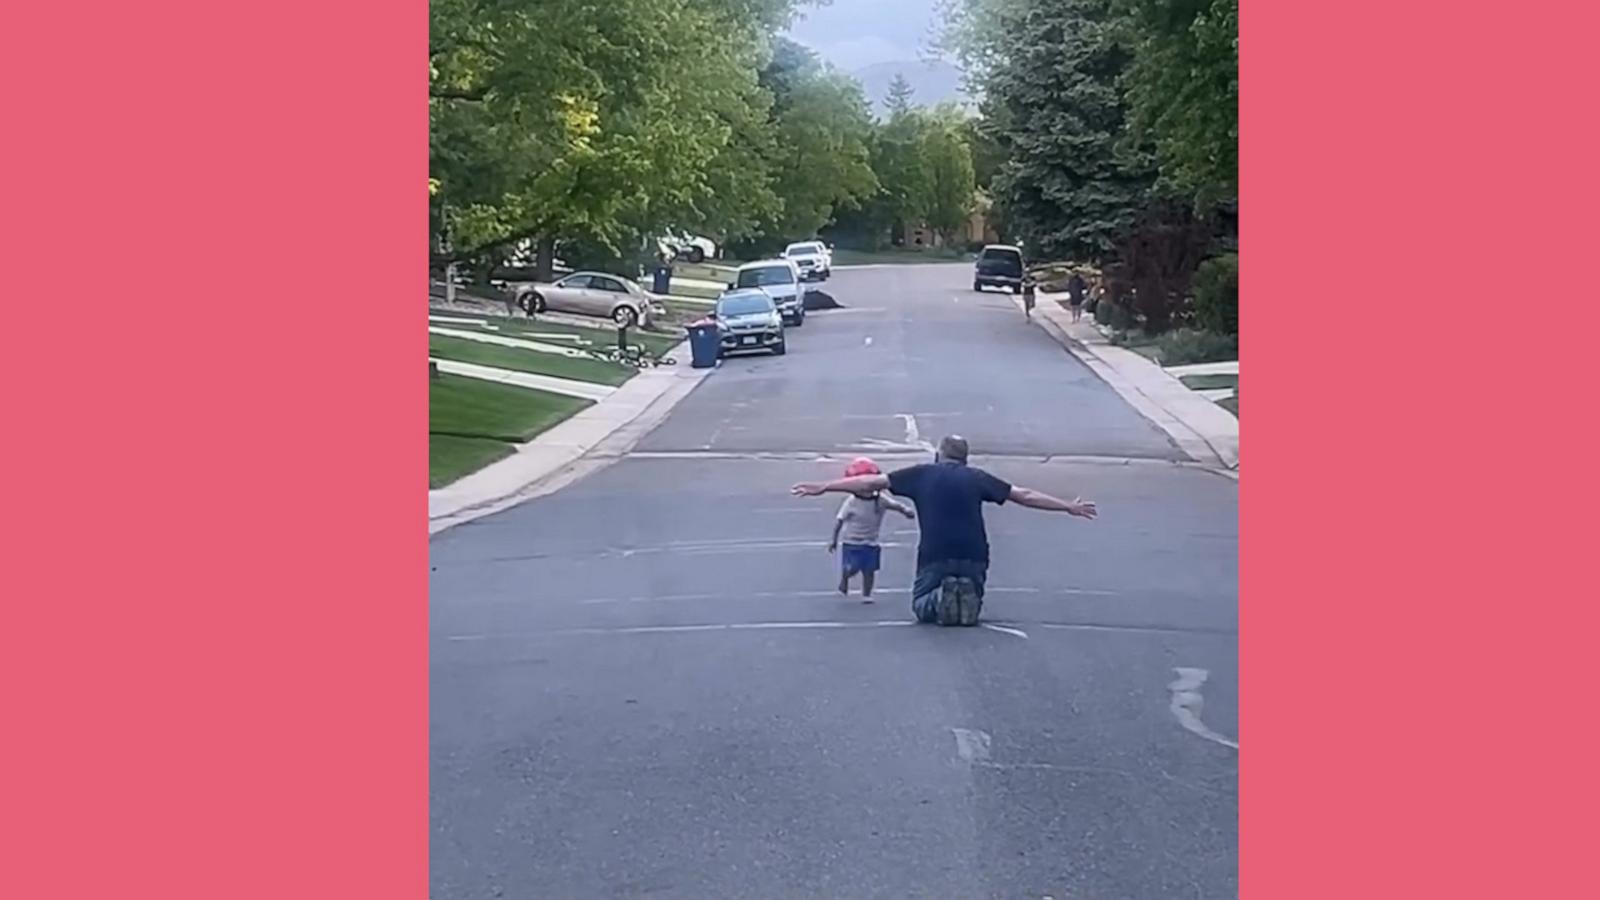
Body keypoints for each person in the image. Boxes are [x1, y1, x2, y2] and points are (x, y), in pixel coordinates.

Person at [792, 435, 1097, 626]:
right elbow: (1024, 495)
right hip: (975, 556)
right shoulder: (977, 477)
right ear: (965, 459)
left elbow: (868, 483)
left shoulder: (920, 474)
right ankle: (969, 596)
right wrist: (1068, 506)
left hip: (935, 556)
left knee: (920, 608)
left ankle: (938, 599)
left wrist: (825, 486)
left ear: (938, 455)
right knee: (970, 597)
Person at [827, 458, 915, 602]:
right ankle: (845, 577)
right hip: (852, 541)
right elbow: (840, 520)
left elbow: (895, 505)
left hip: (871, 541)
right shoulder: (852, 502)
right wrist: (834, 540)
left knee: (869, 570)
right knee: (852, 567)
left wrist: (905, 511)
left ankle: (867, 593)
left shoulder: (880, 500)